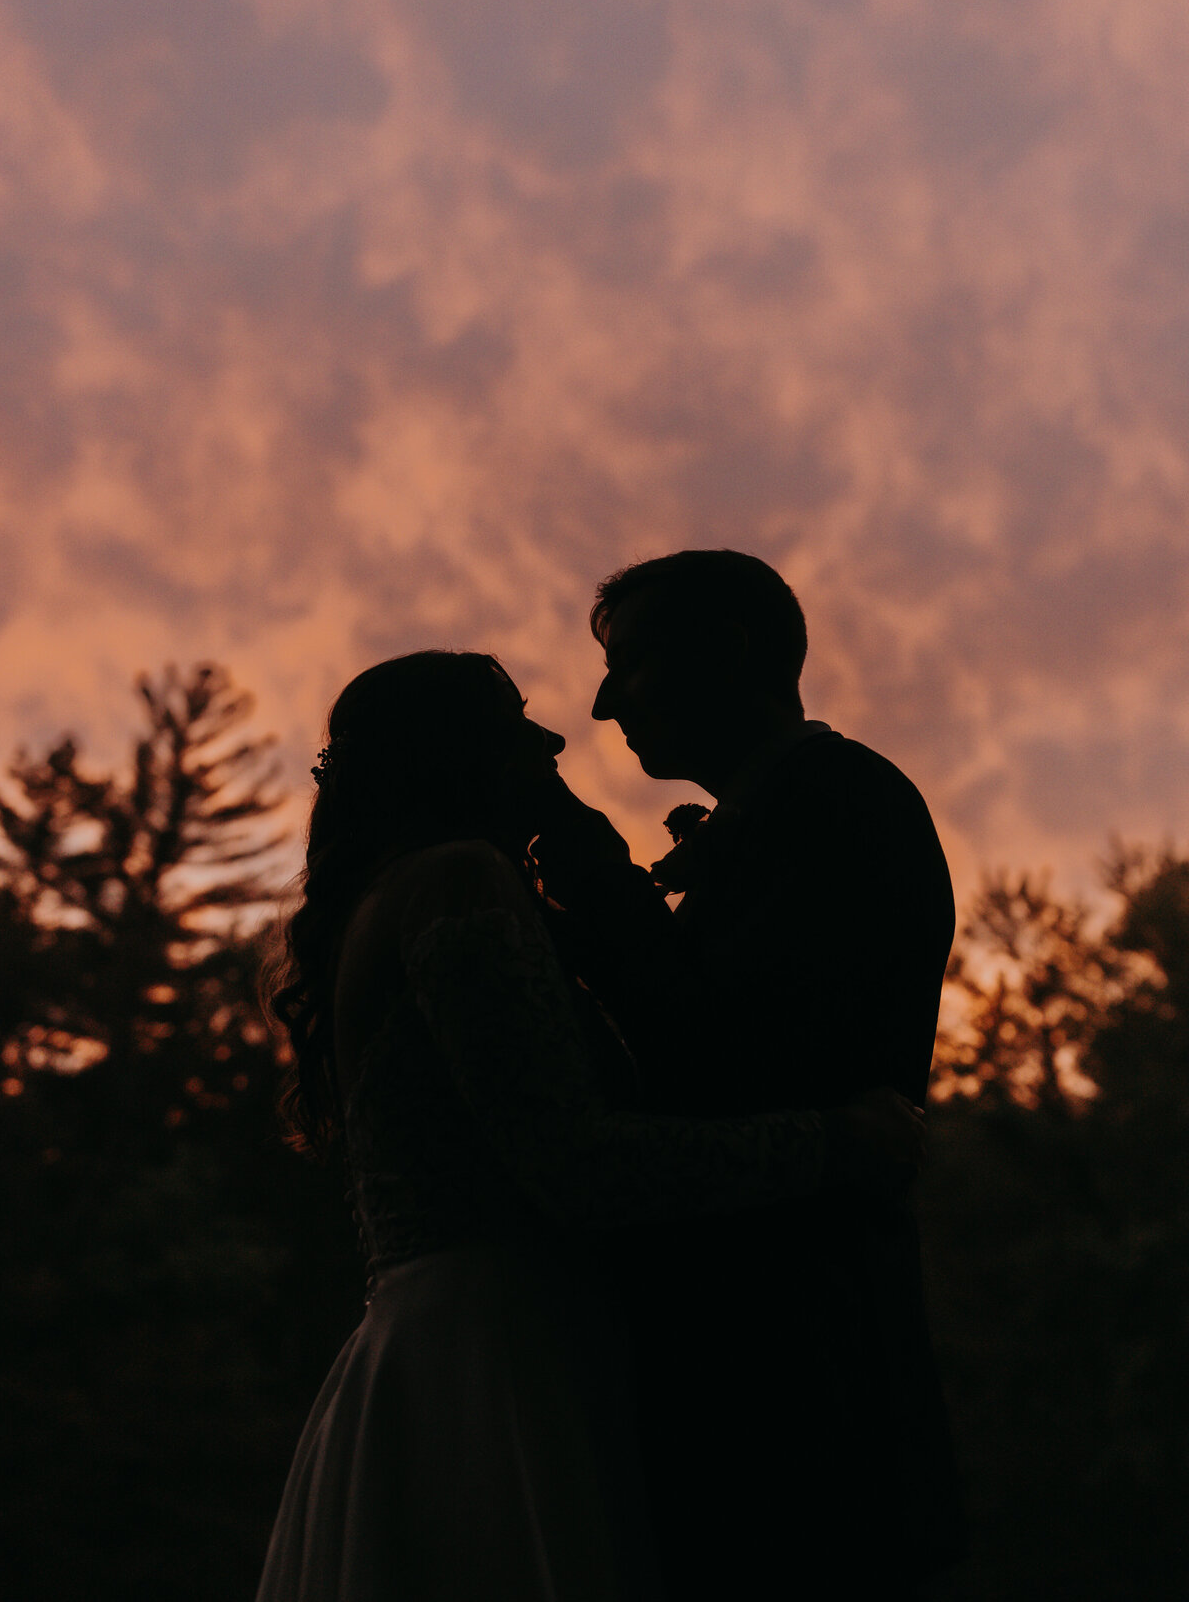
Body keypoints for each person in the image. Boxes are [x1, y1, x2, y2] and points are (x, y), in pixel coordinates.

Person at [254, 648, 925, 1602]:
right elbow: (579, 1163)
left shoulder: (387, 898)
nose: (554, 736)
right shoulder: (457, 883)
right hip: (504, 1364)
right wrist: (834, 1141)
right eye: (517, 721)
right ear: (465, 751)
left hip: (436, 1343)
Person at [531, 550, 967, 1600]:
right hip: (757, 1363)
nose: (600, 701)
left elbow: (727, 1052)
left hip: (805, 1376)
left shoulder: (840, 802)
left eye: (627, 664)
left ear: (726, 650)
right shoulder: (794, 810)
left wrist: (589, 870)